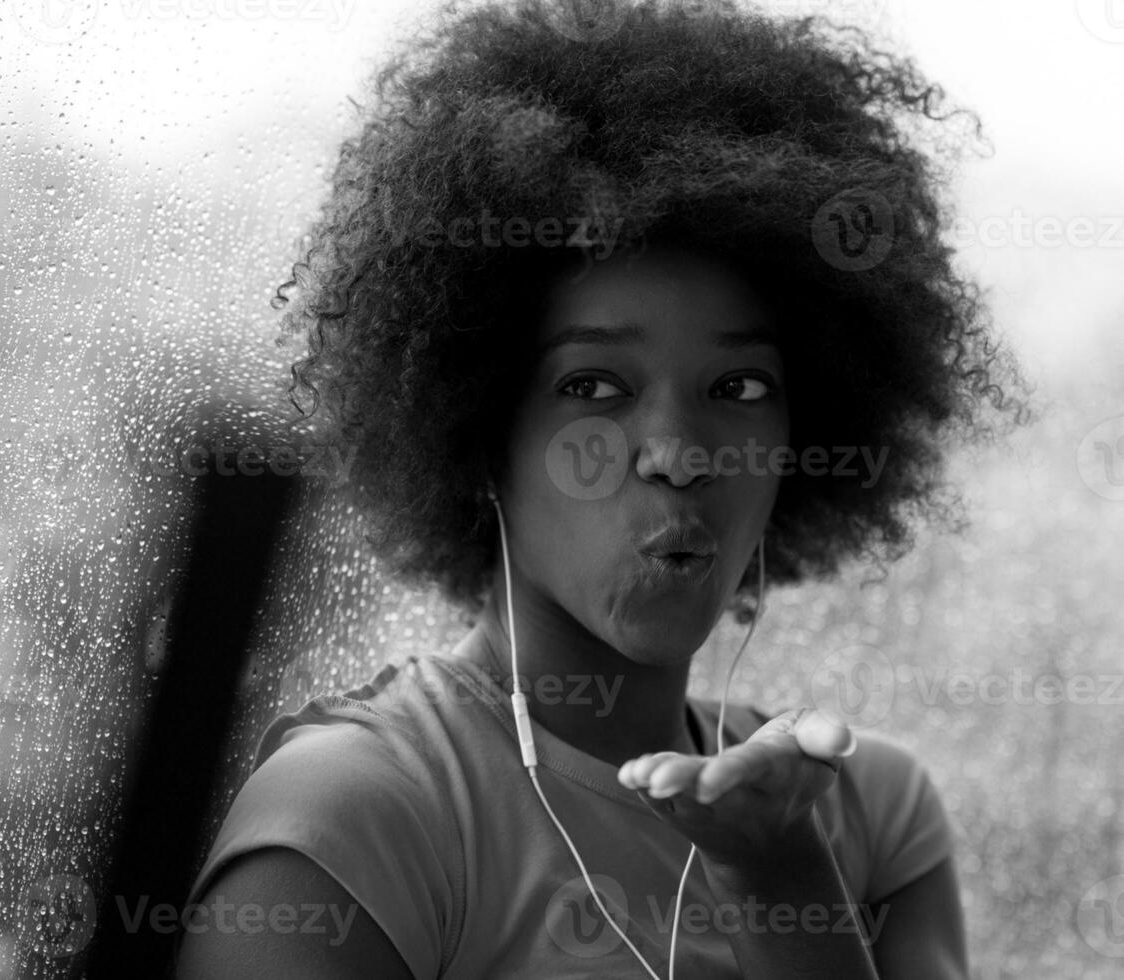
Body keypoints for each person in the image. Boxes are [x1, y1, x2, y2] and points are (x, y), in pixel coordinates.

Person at [175, 0, 1029, 976]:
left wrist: (783, 876)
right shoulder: (356, 818)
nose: (676, 450)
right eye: (593, 386)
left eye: (738, 388)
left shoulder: (870, 811)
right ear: (480, 427)